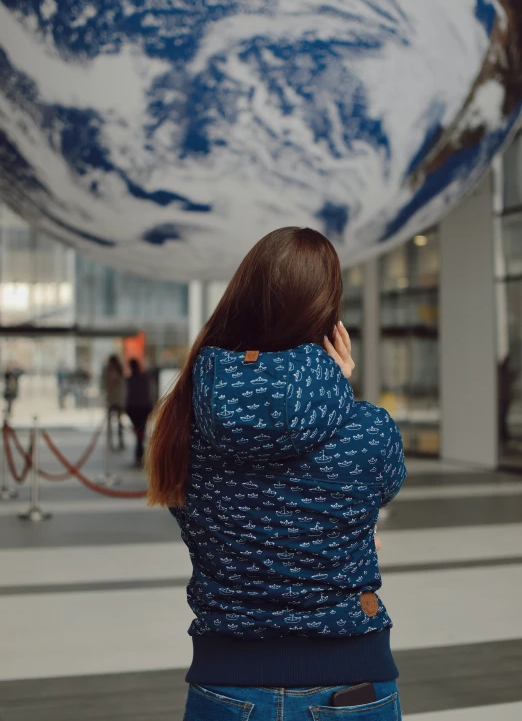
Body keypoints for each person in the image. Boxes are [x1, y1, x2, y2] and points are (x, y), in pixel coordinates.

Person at [146, 227, 406, 721]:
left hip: (226, 683)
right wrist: (337, 388)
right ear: (329, 318)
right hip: (353, 681)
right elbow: (383, 486)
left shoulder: (182, 426)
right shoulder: (369, 428)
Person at [125, 358, 152, 467]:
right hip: (143, 407)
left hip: (134, 408)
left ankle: (140, 455)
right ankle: (140, 455)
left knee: (139, 432)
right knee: (140, 432)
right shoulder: (144, 378)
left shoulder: (130, 380)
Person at [102, 355, 125, 451]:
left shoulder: (120, 370)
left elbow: (122, 385)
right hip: (110, 399)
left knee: (120, 422)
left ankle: (120, 441)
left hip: (118, 399)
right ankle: (110, 442)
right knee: (110, 423)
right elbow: (105, 384)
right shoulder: (106, 370)